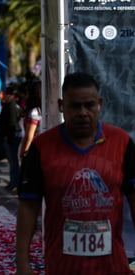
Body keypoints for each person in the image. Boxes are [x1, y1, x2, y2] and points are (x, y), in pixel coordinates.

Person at [16, 72, 135, 274]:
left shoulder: (121, 143)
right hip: (62, 266)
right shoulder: (41, 147)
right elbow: (28, 206)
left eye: (89, 105)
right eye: (75, 106)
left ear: (99, 104)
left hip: (112, 267)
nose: (82, 112)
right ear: (62, 106)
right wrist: (22, 262)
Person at [0, 83, 23, 191]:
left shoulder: (11, 105)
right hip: (10, 136)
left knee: (13, 162)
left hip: (11, 137)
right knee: (12, 162)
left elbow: (12, 122)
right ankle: (14, 182)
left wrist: (9, 137)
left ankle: (14, 182)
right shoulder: (10, 104)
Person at [18, 80, 42, 163]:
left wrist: (24, 153)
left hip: (33, 149)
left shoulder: (34, 112)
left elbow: (29, 136)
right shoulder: (43, 110)